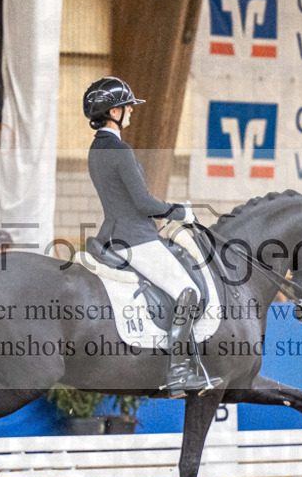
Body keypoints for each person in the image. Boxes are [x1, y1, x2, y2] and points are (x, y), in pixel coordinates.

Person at [82, 76, 211, 398]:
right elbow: (143, 203)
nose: (131, 112)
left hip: (112, 235)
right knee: (188, 288)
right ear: (114, 112)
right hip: (135, 237)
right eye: (127, 107)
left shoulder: (96, 149)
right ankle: (179, 369)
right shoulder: (120, 149)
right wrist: (180, 211)